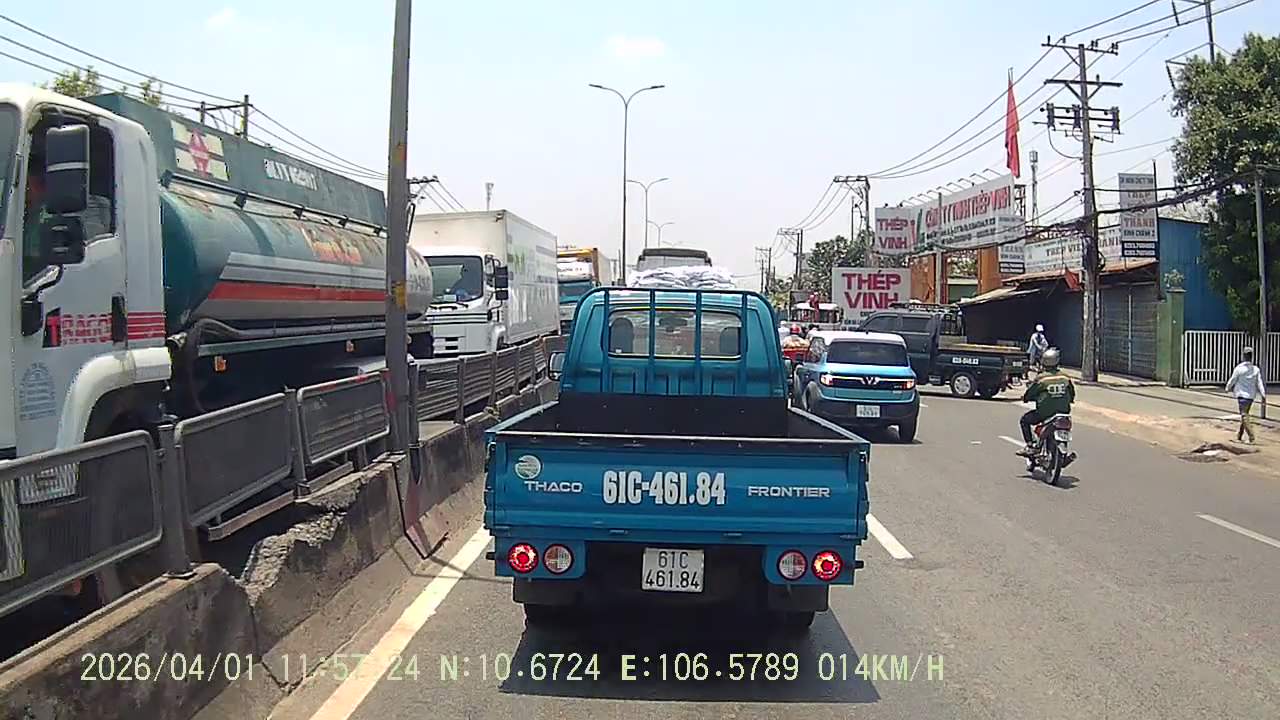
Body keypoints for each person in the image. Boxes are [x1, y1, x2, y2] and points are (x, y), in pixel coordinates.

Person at [1017, 347, 1074, 456]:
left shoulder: (1042, 378)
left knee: (1024, 420)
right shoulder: (1065, 377)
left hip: (1045, 413)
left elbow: (1030, 393)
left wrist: (1025, 398)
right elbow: (1071, 394)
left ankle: (1030, 445)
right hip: (1064, 413)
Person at [1226, 346, 1265, 444]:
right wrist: (1263, 394)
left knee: (1244, 415)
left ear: (1243, 356)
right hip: (1251, 396)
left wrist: (1227, 388)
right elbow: (1259, 382)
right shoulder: (1255, 369)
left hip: (1241, 395)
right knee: (1245, 414)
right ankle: (1239, 436)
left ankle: (1251, 437)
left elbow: (1233, 379)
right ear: (1252, 356)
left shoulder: (1239, 368)